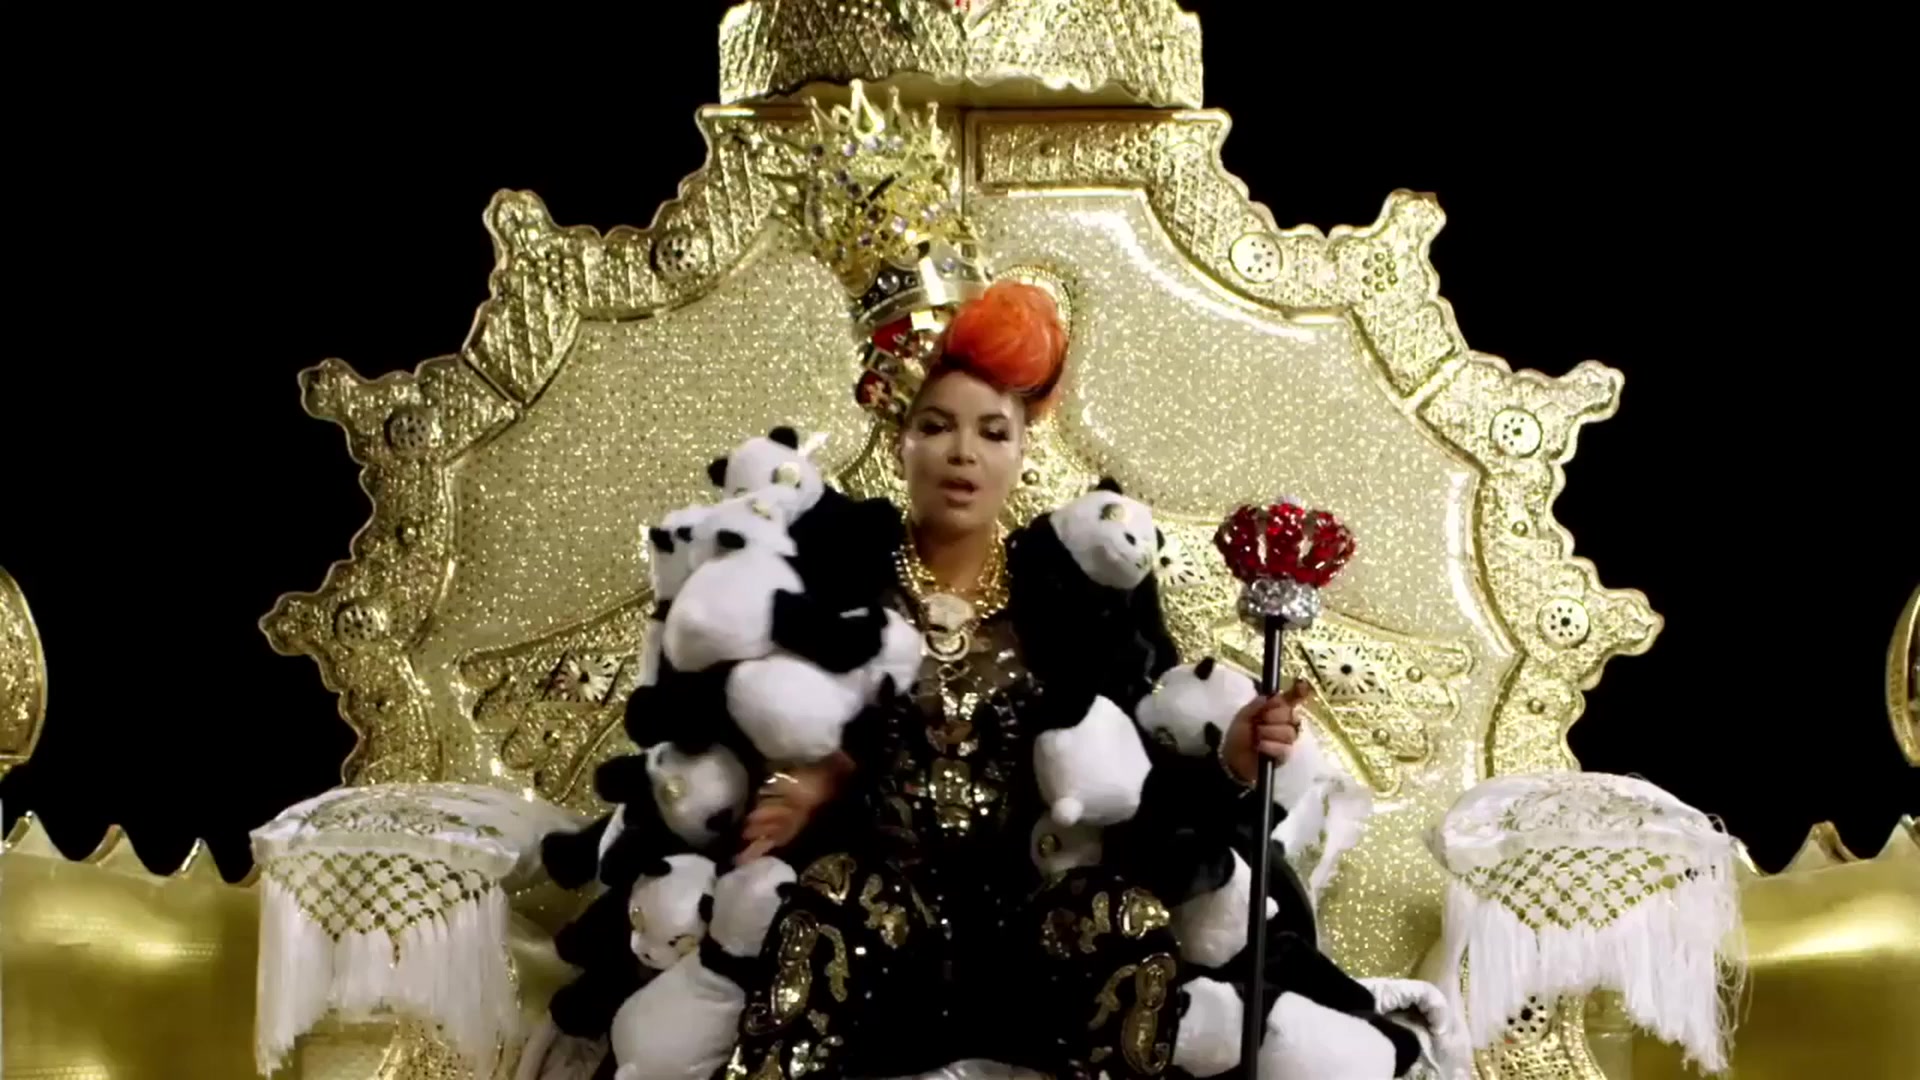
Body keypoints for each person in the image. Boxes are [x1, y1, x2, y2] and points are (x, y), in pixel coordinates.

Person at [706, 280, 1314, 1080]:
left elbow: (1138, 778)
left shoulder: (1073, 594)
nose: (963, 453)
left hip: (1031, 921)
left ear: (1023, 449)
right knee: (829, 894)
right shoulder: (841, 580)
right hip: (888, 919)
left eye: (992, 432)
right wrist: (811, 777)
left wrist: (1230, 760)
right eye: (936, 426)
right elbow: (755, 717)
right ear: (900, 441)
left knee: (1128, 919)